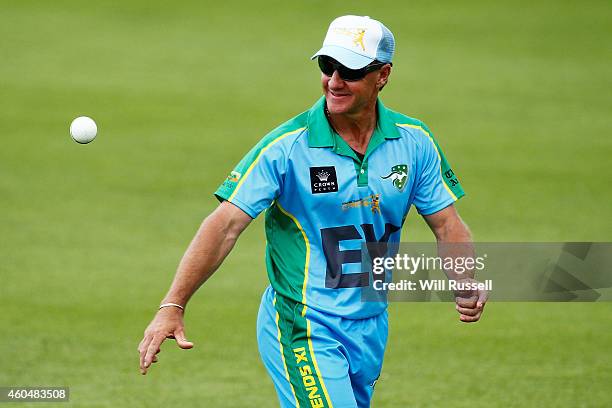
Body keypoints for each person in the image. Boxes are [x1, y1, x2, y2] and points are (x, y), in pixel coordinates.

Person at [138, 15, 487, 408]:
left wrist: (465, 279)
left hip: (370, 325)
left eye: (350, 71)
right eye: (327, 66)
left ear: (383, 75)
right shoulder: (287, 147)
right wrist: (173, 305)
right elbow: (224, 226)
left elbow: (446, 223)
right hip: (303, 323)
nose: (334, 81)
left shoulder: (415, 141)